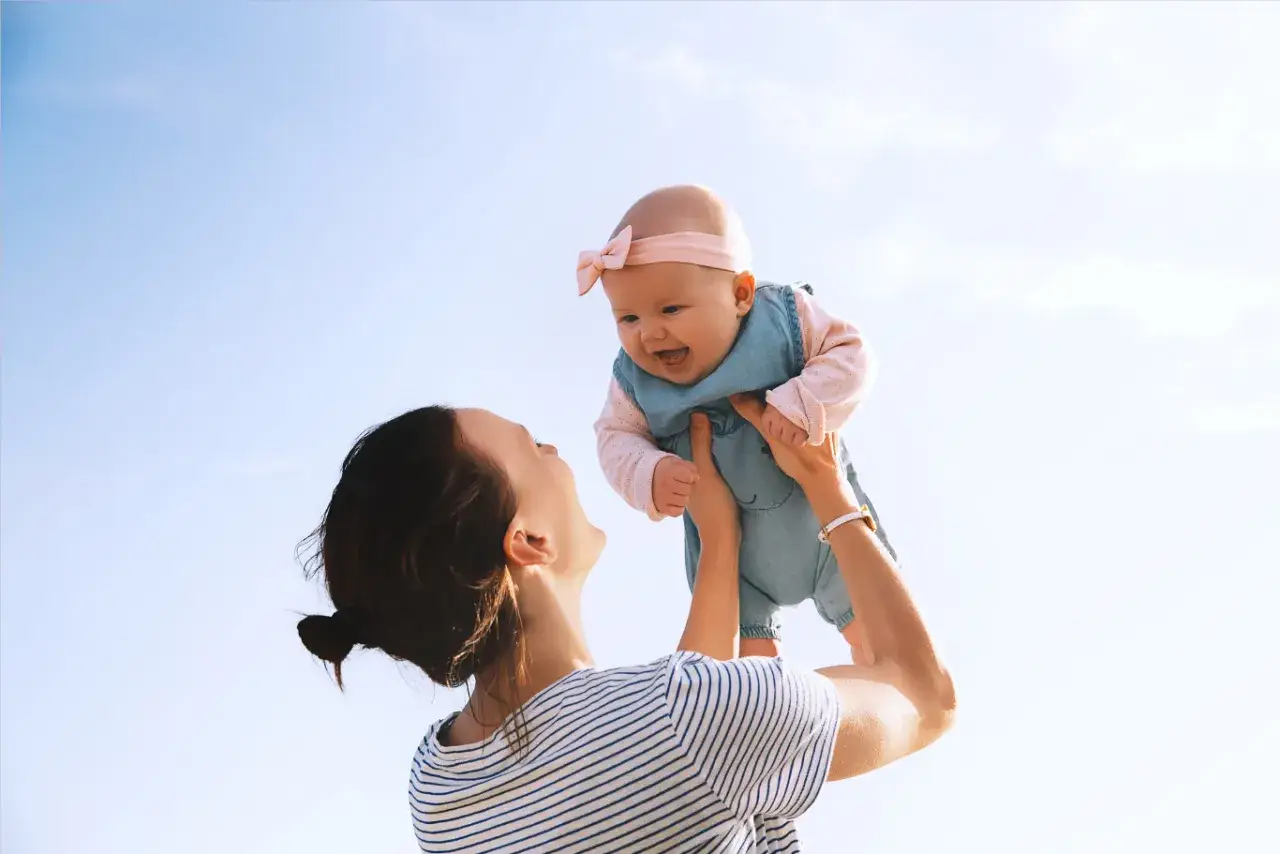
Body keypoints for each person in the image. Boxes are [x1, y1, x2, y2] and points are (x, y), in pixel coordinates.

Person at [296, 394, 955, 853]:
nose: (556, 450)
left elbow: (669, 766)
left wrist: (720, 542)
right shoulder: (691, 717)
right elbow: (924, 697)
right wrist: (827, 487)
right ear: (528, 540)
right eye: (533, 447)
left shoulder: (440, 788)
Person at [582, 184, 892, 662]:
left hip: (826, 526)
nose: (649, 333)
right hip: (736, 558)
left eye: (670, 309)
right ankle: (767, 720)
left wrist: (804, 401)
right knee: (745, 680)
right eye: (627, 317)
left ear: (741, 294)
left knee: (882, 642)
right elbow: (614, 437)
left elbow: (853, 355)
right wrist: (648, 472)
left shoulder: (782, 319)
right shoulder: (633, 383)